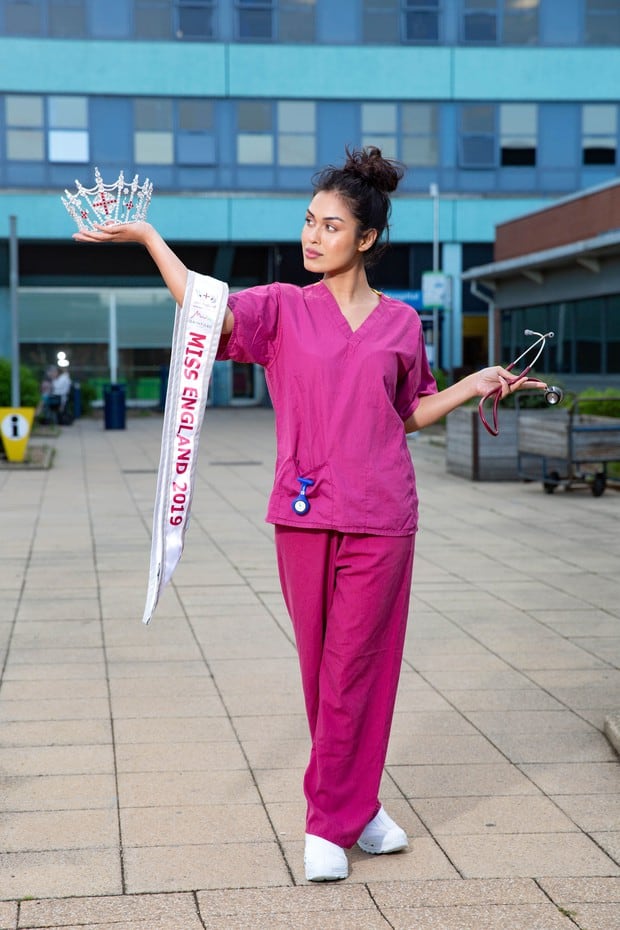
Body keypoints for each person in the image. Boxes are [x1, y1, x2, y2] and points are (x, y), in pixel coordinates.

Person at [73, 146, 545, 882]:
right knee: (321, 670)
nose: (312, 236)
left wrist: (470, 385)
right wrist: (149, 240)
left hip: (384, 515)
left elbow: (407, 412)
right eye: (308, 222)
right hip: (303, 513)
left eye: (330, 226)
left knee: (363, 666)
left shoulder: (401, 324)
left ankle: (329, 822)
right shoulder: (283, 308)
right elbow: (206, 311)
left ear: (366, 240)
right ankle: (359, 808)